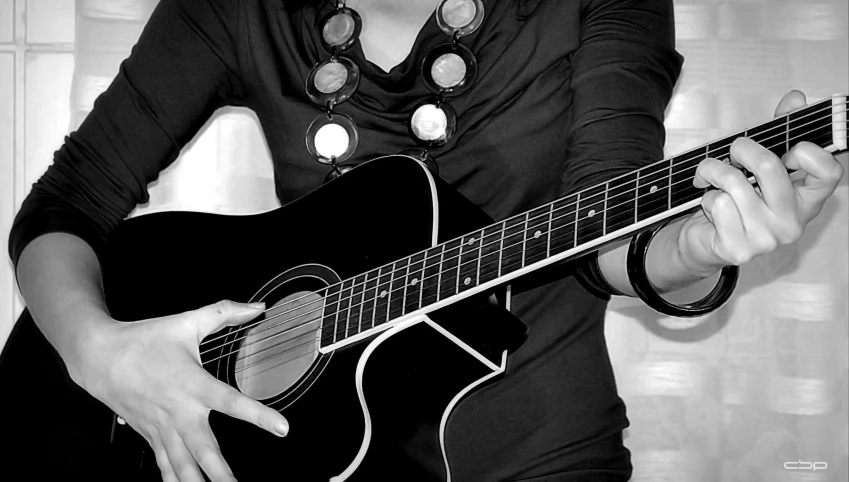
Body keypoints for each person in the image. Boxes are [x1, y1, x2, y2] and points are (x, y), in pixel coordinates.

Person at [2, 0, 843, 481]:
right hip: (297, 466)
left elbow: (607, 236)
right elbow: (64, 209)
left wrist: (697, 250)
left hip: (536, 451)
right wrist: (102, 354)